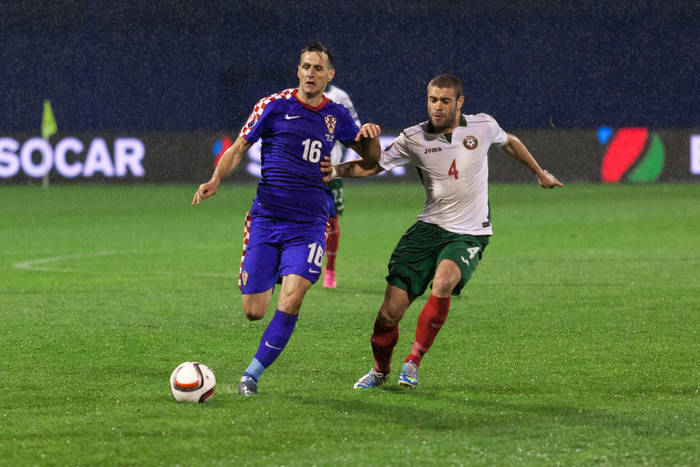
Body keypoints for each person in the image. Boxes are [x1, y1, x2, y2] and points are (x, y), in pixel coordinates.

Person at [331, 73, 563, 390]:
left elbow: (509, 142)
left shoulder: (482, 125)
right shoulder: (414, 137)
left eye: (444, 101)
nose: (437, 107)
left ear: (459, 102)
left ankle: (412, 362)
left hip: (470, 232)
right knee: (389, 314)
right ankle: (380, 370)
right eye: (432, 100)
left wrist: (539, 171)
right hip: (427, 230)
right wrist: (333, 171)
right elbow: (373, 166)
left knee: (443, 283)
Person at [192, 42, 380, 396]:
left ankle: (250, 376)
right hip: (267, 218)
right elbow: (238, 148)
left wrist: (370, 138)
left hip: (309, 224)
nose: (311, 73)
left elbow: (371, 162)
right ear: (298, 70)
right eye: (306, 66)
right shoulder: (273, 105)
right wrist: (215, 179)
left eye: (318, 68)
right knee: (253, 311)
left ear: (329, 75)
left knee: (292, 299)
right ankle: (278, 269)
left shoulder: (337, 115)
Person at [322, 83, 362, 288]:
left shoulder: (339, 96)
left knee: (332, 221)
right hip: (305, 172)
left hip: (332, 172)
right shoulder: (300, 96)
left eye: (320, 69)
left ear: (330, 73)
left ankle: (330, 269)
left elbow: (355, 128)